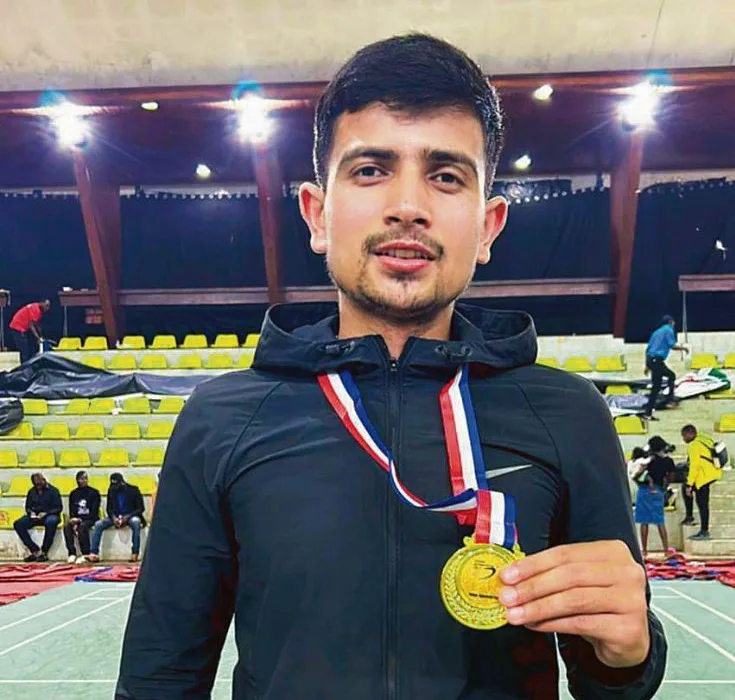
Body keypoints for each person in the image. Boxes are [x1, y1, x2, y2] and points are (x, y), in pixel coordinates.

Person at [116, 34, 666, 700]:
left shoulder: (568, 413)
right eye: (371, 169)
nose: (408, 206)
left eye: (446, 176)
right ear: (318, 215)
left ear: (488, 226)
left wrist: (627, 652)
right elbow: (160, 674)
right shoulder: (221, 419)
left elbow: (611, 682)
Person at [87, 473, 145, 563]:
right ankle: (94, 553)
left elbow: (141, 508)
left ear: (122, 483)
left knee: (136, 522)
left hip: (130, 516)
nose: (115, 488)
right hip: (116, 517)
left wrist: (127, 517)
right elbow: (109, 509)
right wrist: (114, 518)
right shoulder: (111, 491)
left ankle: (135, 552)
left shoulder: (134, 490)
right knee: (98, 524)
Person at [632, 437, 673, 557]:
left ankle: (644, 551)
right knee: (660, 521)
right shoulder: (668, 461)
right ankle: (666, 550)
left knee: (644, 521)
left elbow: (636, 475)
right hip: (658, 490)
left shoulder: (647, 460)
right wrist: (664, 487)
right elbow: (671, 477)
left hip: (644, 491)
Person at [681, 424, 723, 540]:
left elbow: (694, 466)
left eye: (684, 436)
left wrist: (690, 484)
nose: (683, 439)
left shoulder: (693, 445)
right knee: (685, 489)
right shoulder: (704, 438)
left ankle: (704, 531)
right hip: (712, 473)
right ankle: (689, 517)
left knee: (702, 504)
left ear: (690, 434)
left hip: (703, 477)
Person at [643, 315, 688, 420]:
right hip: (657, 360)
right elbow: (672, 345)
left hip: (651, 360)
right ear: (671, 322)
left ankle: (649, 412)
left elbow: (648, 349)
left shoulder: (656, 332)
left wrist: (647, 366)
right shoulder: (668, 330)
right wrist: (684, 348)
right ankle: (668, 400)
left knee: (658, 385)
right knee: (668, 378)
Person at [13, 472, 62, 562]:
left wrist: (46, 513)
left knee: (51, 522)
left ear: (44, 481)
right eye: (36, 485)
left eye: (39, 484)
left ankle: (44, 551)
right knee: (18, 524)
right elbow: (28, 507)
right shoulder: (31, 491)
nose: (38, 487)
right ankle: (34, 550)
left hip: (50, 515)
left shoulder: (53, 491)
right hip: (35, 516)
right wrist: (31, 513)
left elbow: (58, 507)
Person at [63, 470, 101, 564]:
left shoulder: (94, 493)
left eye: (85, 478)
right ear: (77, 480)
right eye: (81, 479)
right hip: (77, 518)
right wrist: (73, 520)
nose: (84, 481)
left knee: (82, 526)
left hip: (90, 518)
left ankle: (85, 554)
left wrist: (80, 520)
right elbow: (72, 510)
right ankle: (72, 553)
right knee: (67, 526)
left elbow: (94, 512)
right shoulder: (73, 493)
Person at [9, 299, 51, 364]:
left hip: (23, 328)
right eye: (46, 305)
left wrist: (40, 335)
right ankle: (25, 366)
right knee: (24, 350)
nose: (48, 308)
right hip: (17, 327)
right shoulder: (35, 309)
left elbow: (36, 323)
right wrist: (37, 337)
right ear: (41, 303)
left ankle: (29, 364)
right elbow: (31, 325)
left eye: (49, 306)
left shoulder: (38, 310)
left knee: (30, 348)